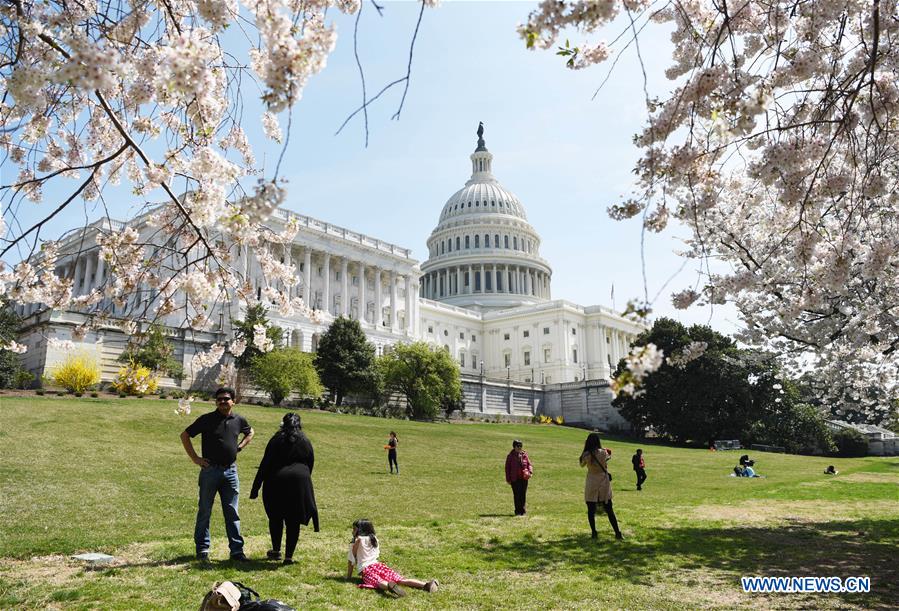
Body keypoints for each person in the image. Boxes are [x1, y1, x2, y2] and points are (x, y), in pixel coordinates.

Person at [180, 387, 254, 561]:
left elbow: (250, 432)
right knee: (205, 510)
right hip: (210, 471)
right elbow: (185, 435)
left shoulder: (238, 420)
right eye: (219, 399)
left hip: (230, 471)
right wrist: (195, 459)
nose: (222, 401)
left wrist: (241, 446)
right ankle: (202, 550)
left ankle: (237, 551)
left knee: (232, 512)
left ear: (233, 401)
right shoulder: (207, 419)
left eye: (226, 399)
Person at [249, 413, 320, 565]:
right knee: (293, 521)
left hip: (276, 481)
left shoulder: (276, 440)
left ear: (282, 423)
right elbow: (310, 463)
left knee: (276, 518)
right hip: (299, 483)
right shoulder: (305, 440)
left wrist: (256, 487)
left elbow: (265, 463)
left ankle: (276, 551)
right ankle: (289, 557)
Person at [346, 519, 439, 597]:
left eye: (354, 529)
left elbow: (351, 560)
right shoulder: (373, 538)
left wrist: (349, 577)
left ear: (360, 530)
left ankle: (389, 586)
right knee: (401, 579)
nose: (352, 531)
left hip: (366, 569)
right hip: (379, 566)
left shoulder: (356, 542)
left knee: (378, 582)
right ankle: (426, 584)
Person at [580, 433, 623, 540]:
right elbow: (609, 456)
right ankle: (617, 532)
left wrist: (585, 449)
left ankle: (594, 532)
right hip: (603, 481)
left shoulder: (586, 454)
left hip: (592, 481)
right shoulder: (603, 452)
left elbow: (581, 464)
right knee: (609, 509)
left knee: (591, 508)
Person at [504, 439, 532, 516]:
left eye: (521, 446)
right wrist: (508, 479)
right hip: (514, 479)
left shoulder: (524, 455)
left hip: (524, 478)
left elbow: (529, 464)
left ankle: (523, 511)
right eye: (518, 446)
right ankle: (517, 511)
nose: (520, 447)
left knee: (523, 494)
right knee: (517, 495)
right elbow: (507, 468)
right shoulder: (510, 456)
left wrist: (530, 472)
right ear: (514, 447)